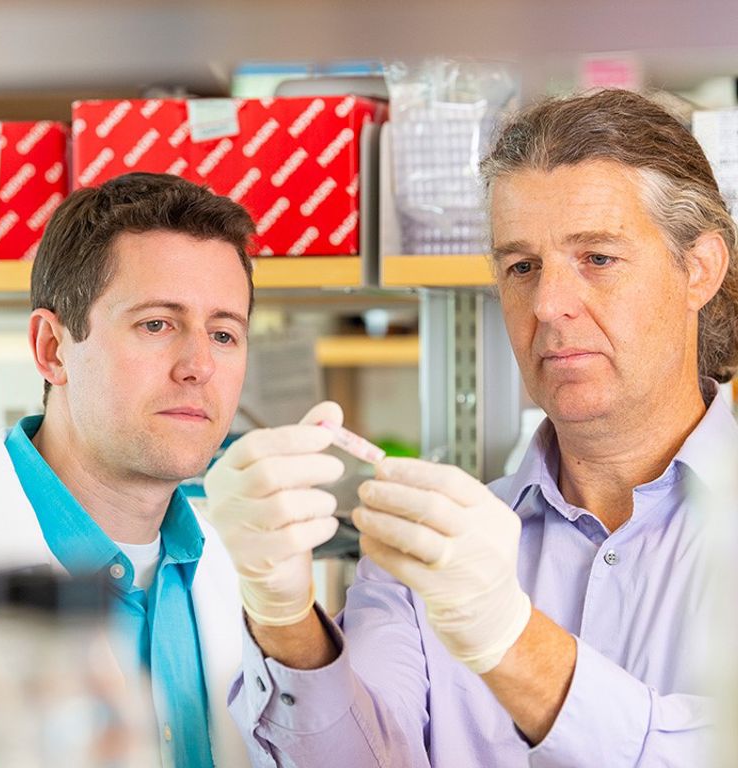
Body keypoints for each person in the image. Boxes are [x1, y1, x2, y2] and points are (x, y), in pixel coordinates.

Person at [205, 89, 738, 767]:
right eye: (521, 267)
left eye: (597, 258)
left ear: (700, 268)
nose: (547, 304)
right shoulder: (433, 550)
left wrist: (510, 640)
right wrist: (285, 623)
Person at [0, 172, 283, 768]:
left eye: (223, 333)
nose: (198, 366)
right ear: (52, 349)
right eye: (156, 324)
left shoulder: (237, 573)